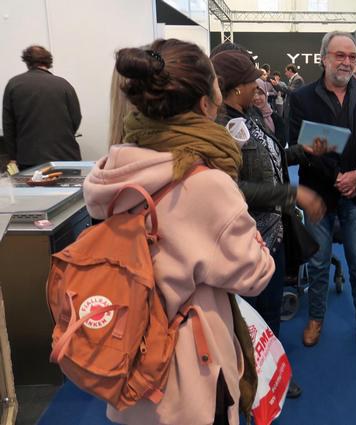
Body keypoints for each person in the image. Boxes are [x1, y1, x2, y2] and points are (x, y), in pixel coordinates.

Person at [82, 39, 275, 425]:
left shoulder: (113, 167)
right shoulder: (205, 183)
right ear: (204, 105)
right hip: (189, 378)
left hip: (125, 363)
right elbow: (256, 273)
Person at [212, 50, 326, 399]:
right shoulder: (219, 128)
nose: (259, 88)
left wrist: (302, 151)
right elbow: (230, 188)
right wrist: (291, 193)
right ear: (237, 87)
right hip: (247, 241)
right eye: (254, 82)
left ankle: (270, 374)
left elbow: (272, 159)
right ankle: (252, 384)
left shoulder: (249, 116)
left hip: (272, 236)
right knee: (249, 318)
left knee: (271, 311)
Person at [289, 31, 356, 352]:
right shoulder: (301, 98)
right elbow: (301, 146)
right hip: (318, 195)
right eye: (339, 55)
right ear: (324, 58)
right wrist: (338, 178)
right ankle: (316, 318)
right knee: (318, 263)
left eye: (352, 56)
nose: (347, 62)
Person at [2, 45, 82, 170]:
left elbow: (8, 125)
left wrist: (13, 156)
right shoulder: (64, 84)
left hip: (29, 159)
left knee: (31, 184)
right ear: (48, 61)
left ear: (27, 61)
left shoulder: (14, 84)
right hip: (66, 157)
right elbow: (76, 117)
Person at [253, 79, 286, 148]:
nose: (256, 97)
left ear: (265, 94)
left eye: (260, 93)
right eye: (253, 94)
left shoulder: (276, 118)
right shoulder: (246, 119)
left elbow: (282, 145)